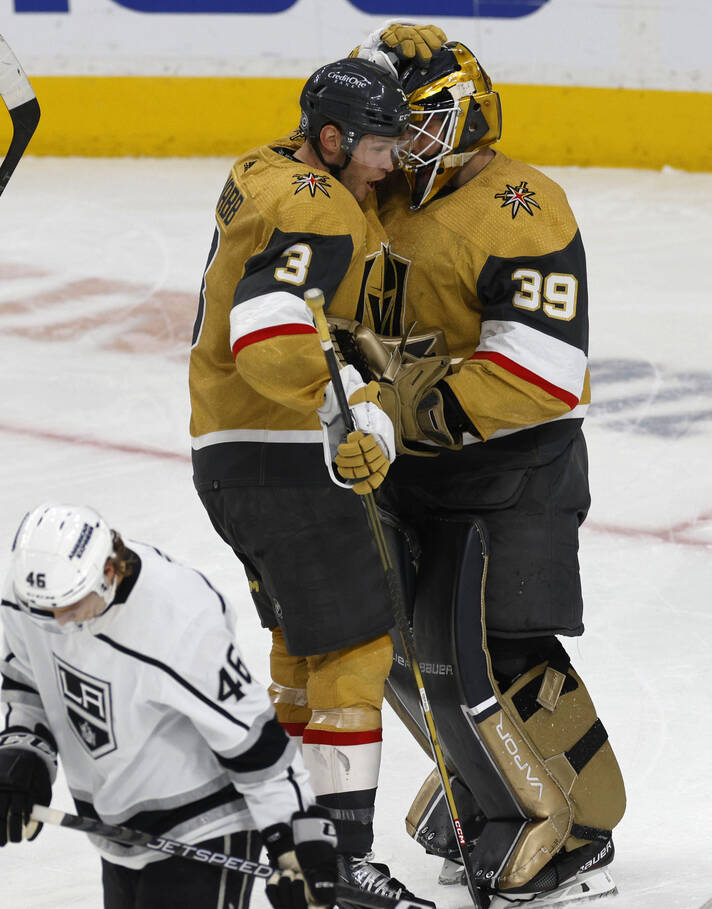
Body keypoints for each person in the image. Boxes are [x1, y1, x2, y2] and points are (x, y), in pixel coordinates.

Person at [329, 34, 626, 908]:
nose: (393, 146)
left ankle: (571, 819)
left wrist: (398, 406)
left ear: (458, 126)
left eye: (412, 127)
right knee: (406, 651)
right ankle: (493, 787)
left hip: (510, 473)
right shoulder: (384, 197)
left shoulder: (520, 207)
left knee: (491, 649)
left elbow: (539, 374)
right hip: (417, 469)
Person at [186, 52, 438, 908]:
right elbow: (266, 326)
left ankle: (294, 854)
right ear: (329, 140)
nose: (390, 159)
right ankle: (341, 866)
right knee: (356, 651)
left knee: (301, 654)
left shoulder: (268, 167)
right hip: (283, 452)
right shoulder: (320, 206)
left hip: (227, 452)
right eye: (375, 144)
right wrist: (352, 410)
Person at [0, 503, 341, 909]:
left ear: (108, 572)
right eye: (44, 612)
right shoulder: (33, 593)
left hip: (206, 827)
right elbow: (27, 678)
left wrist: (292, 841)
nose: (58, 622)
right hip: (115, 831)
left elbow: (256, 742)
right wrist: (22, 751)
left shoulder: (180, 618)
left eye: (71, 605)